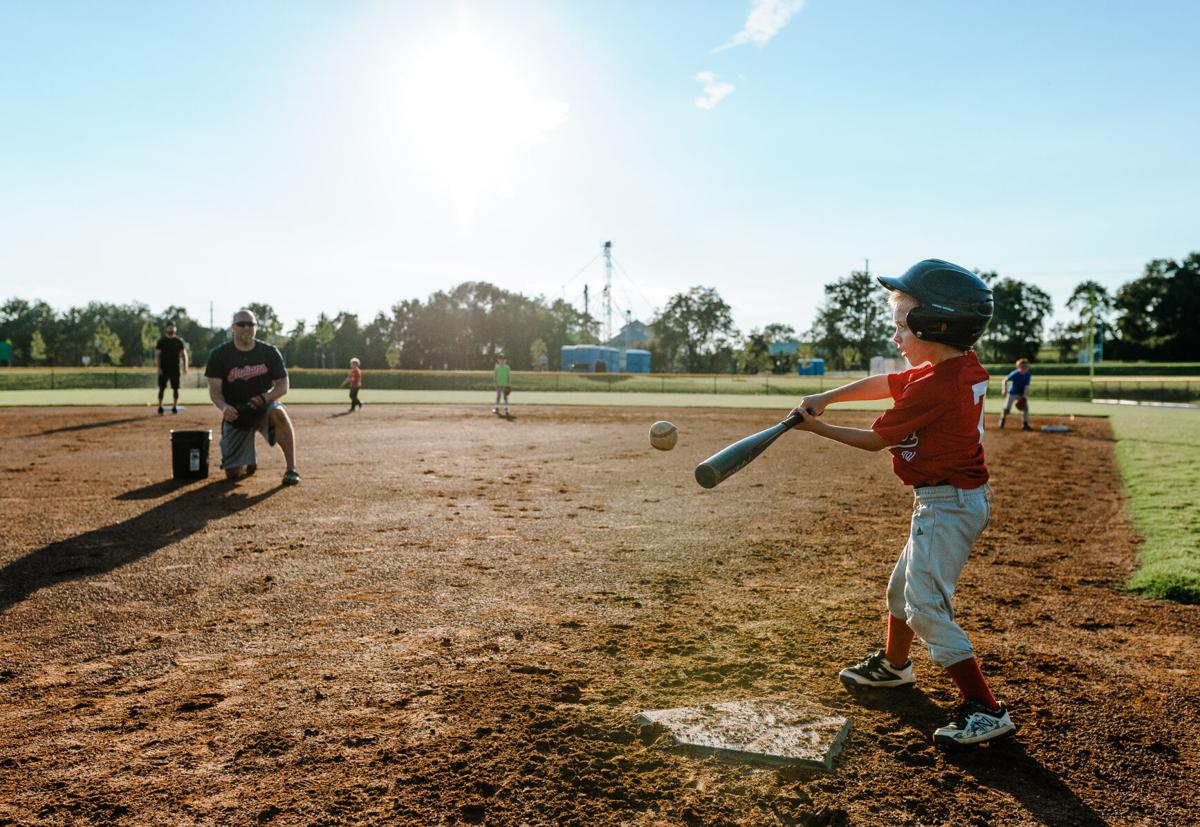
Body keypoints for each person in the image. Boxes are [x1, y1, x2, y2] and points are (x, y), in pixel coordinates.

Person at [786, 259, 1015, 749]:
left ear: (935, 326)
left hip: (947, 503)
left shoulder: (936, 385)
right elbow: (890, 383)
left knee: (925, 607)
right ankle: (894, 666)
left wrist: (816, 427)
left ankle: (985, 708)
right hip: (950, 498)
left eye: (902, 328)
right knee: (900, 593)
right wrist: (828, 396)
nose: (896, 337)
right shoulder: (955, 366)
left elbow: (875, 440)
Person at [204, 309, 300, 486]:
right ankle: (249, 459)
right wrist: (224, 407)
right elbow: (215, 391)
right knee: (234, 475)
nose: (246, 328)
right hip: (237, 414)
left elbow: (283, 385)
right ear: (233, 327)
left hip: (264, 408)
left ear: (256, 327)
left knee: (278, 412)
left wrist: (265, 398)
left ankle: (291, 469)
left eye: (251, 324)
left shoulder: (269, 352)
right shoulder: (219, 355)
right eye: (241, 324)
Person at [155, 321, 189, 415]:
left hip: (175, 368)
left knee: (175, 388)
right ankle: (160, 407)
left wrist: (185, 366)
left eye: (172, 327)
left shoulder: (178, 341)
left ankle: (174, 407)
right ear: (166, 329)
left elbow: (184, 354)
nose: (171, 329)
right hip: (164, 368)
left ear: (175, 329)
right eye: (169, 327)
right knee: (162, 388)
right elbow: (157, 355)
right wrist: (158, 367)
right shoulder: (161, 341)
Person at [999, 358, 1032, 431]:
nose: (1024, 368)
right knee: (1006, 409)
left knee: (1025, 408)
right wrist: (1004, 389)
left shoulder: (1028, 374)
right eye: (1022, 366)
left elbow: (1026, 387)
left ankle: (1025, 424)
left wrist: (1024, 397)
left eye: (1026, 366)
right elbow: (1004, 380)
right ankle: (1002, 420)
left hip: (1021, 393)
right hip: (1012, 393)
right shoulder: (1015, 373)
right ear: (1018, 367)